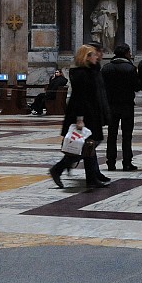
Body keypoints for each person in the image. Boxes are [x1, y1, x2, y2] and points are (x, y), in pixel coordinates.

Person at [48, 44, 112, 190]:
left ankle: (91, 178)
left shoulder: (92, 71)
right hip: (84, 115)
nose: (97, 56)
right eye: (94, 55)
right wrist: (79, 118)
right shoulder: (81, 74)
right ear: (87, 57)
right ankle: (60, 169)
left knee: (89, 146)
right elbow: (79, 98)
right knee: (86, 146)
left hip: (93, 114)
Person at [101, 43, 140, 171]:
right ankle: (127, 162)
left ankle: (111, 162)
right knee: (127, 135)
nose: (130, 54)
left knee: (111, 135)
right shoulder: (130, 68)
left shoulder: (106, 68)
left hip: (111, 106)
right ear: (126, 53)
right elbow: (137, 87)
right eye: (129, 52)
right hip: (126, 105)